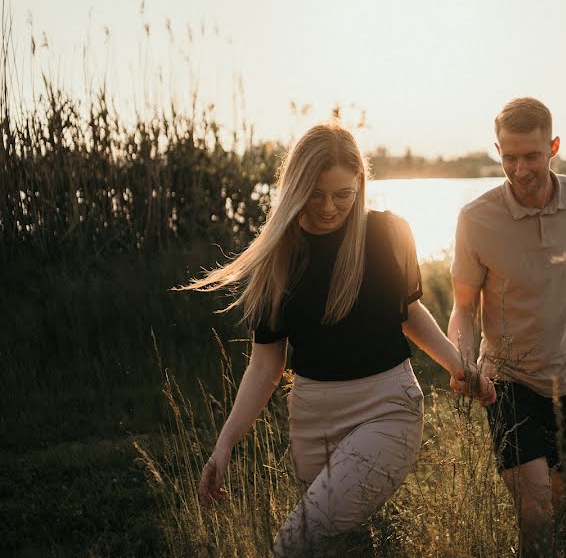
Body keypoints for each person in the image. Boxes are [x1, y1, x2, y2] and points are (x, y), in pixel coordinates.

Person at [181, 123, 495, 557]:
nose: (330, 207)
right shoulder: (278, 259)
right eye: (316, 193)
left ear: (360, 186)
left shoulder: (388, 234)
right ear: (295, 187)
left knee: (294, 543)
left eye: (343, 194)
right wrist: (224, 443)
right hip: (312, 421)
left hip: (388, 408)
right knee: (339, 546)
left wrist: (460, 366)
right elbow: (265, 367)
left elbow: (409, 315)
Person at [447, 97, 566, 555]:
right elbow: (463, 307)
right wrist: (463, 362)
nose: (520, 169)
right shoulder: (476, 219)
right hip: (508, 380)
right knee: (536, 512)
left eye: (532, 156)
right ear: (497, 150)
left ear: (554, 147)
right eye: (509, 157)